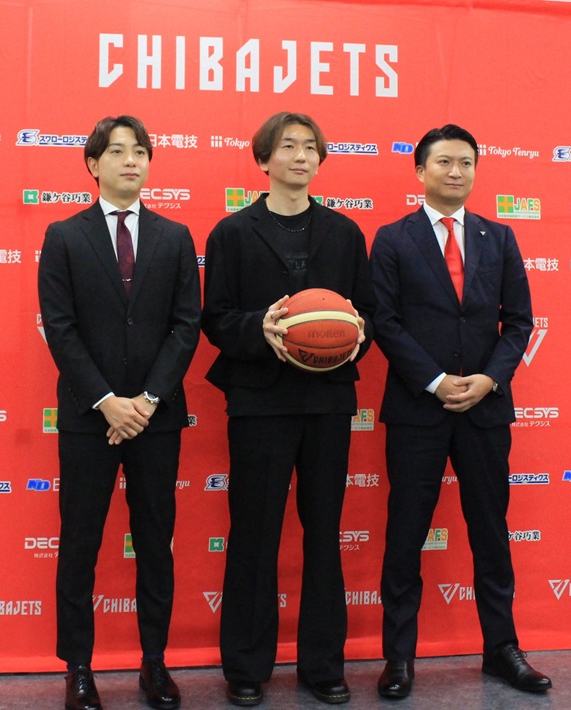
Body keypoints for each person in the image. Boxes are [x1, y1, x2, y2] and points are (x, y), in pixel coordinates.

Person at [368, 124, 551, 699]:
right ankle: (399, 656)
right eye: (444, 161)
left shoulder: (500, 237)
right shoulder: (392, 239)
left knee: (491, 532)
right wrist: (435, 380)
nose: (456, 171)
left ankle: (502, 649)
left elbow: (518, 322)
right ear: (420, 170)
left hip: (485, 409)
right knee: (406, 534)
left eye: (466, 162)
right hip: (417, 410)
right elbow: (385, 322)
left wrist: (489, 379)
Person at [201, 111, 375, 706]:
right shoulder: (231, 233)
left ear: (320, 159)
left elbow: (366, 316)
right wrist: (262, 329)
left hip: (328, 402)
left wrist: (351, 337)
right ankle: (246, 667)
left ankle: (323, 665)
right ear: (263, 159)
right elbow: (216, 318)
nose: (301, 156)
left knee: (324, 532)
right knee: (254, 533)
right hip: (259, 401)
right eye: (288, 146)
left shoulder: (345, 233)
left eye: (310, 147)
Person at [38, 115, 201, 710]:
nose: (131, 161)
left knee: (155, 541)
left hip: (157, 417)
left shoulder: (175, 236)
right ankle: (78, 668)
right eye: (117, 151)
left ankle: (154, 663)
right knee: (80, 542)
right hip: (90, 418)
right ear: (93, 164)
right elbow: (60, 328)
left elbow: (186, 325)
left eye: (140, 152)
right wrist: (108, 402)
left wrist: (148, 400)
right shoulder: (64, 236)